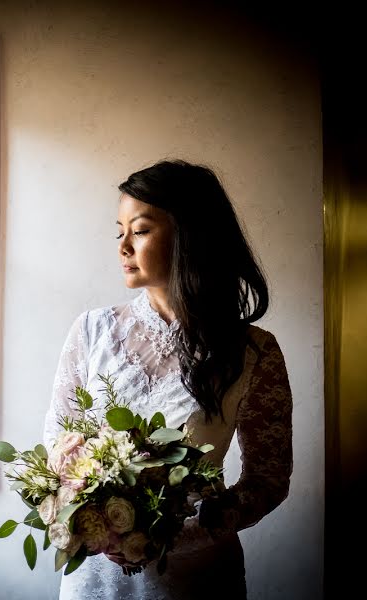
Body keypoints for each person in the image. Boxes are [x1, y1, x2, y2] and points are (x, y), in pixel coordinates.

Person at [42, 159, 293, 599]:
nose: (122, 246)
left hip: (196, 579)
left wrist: (175, 537)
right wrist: (95, 526)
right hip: (95, 579)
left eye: (139, 230)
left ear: (189, 236)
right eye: (118, 231)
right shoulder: (91, 331)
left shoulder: (254, 353)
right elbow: (57, 447)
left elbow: (267, 481)